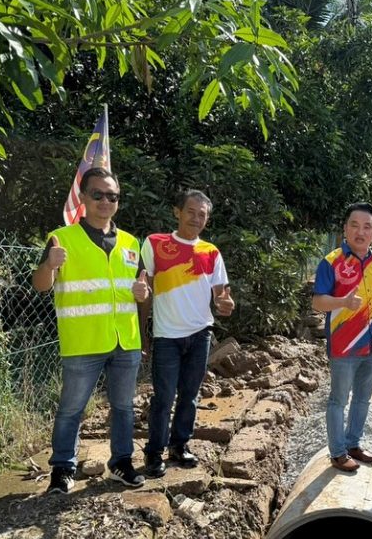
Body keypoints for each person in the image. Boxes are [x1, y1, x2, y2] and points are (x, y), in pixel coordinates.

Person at [33, 167, 149, 493]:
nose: (105, 201)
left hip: (124, 340)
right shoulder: (62, 239)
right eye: (97, 194)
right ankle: (62, 469)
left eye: (112, 196)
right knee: (72, 409)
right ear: (83, 197)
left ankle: (121, 463)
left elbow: (139, 289)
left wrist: (143, 294)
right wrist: (49, 265)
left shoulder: (129, 242)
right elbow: (41, 286)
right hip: (83, 343)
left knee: (124, 407)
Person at [139, 189, 234, 478]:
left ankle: (179, 446)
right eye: (191, 211)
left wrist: (225, 304)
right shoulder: (155, 243)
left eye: (202, 214)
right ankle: (154, 452)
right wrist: (142, 334)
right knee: (164, 397)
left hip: (201, 334)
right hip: (167, 335)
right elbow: (145, 292)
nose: (196, 218)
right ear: (177, 212)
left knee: (190, 395)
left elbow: (221, 296)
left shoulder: (211, 252)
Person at [312, 202, 372, 472]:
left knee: (363, 399)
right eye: (355, 225)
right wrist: (342, 302)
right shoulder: (331, 262)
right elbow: (318, 302)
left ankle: (353, 444)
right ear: (345, 228)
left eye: (367, 226)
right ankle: (338, 452)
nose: (361, 231)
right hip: (343, 345)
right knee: (338, 400)